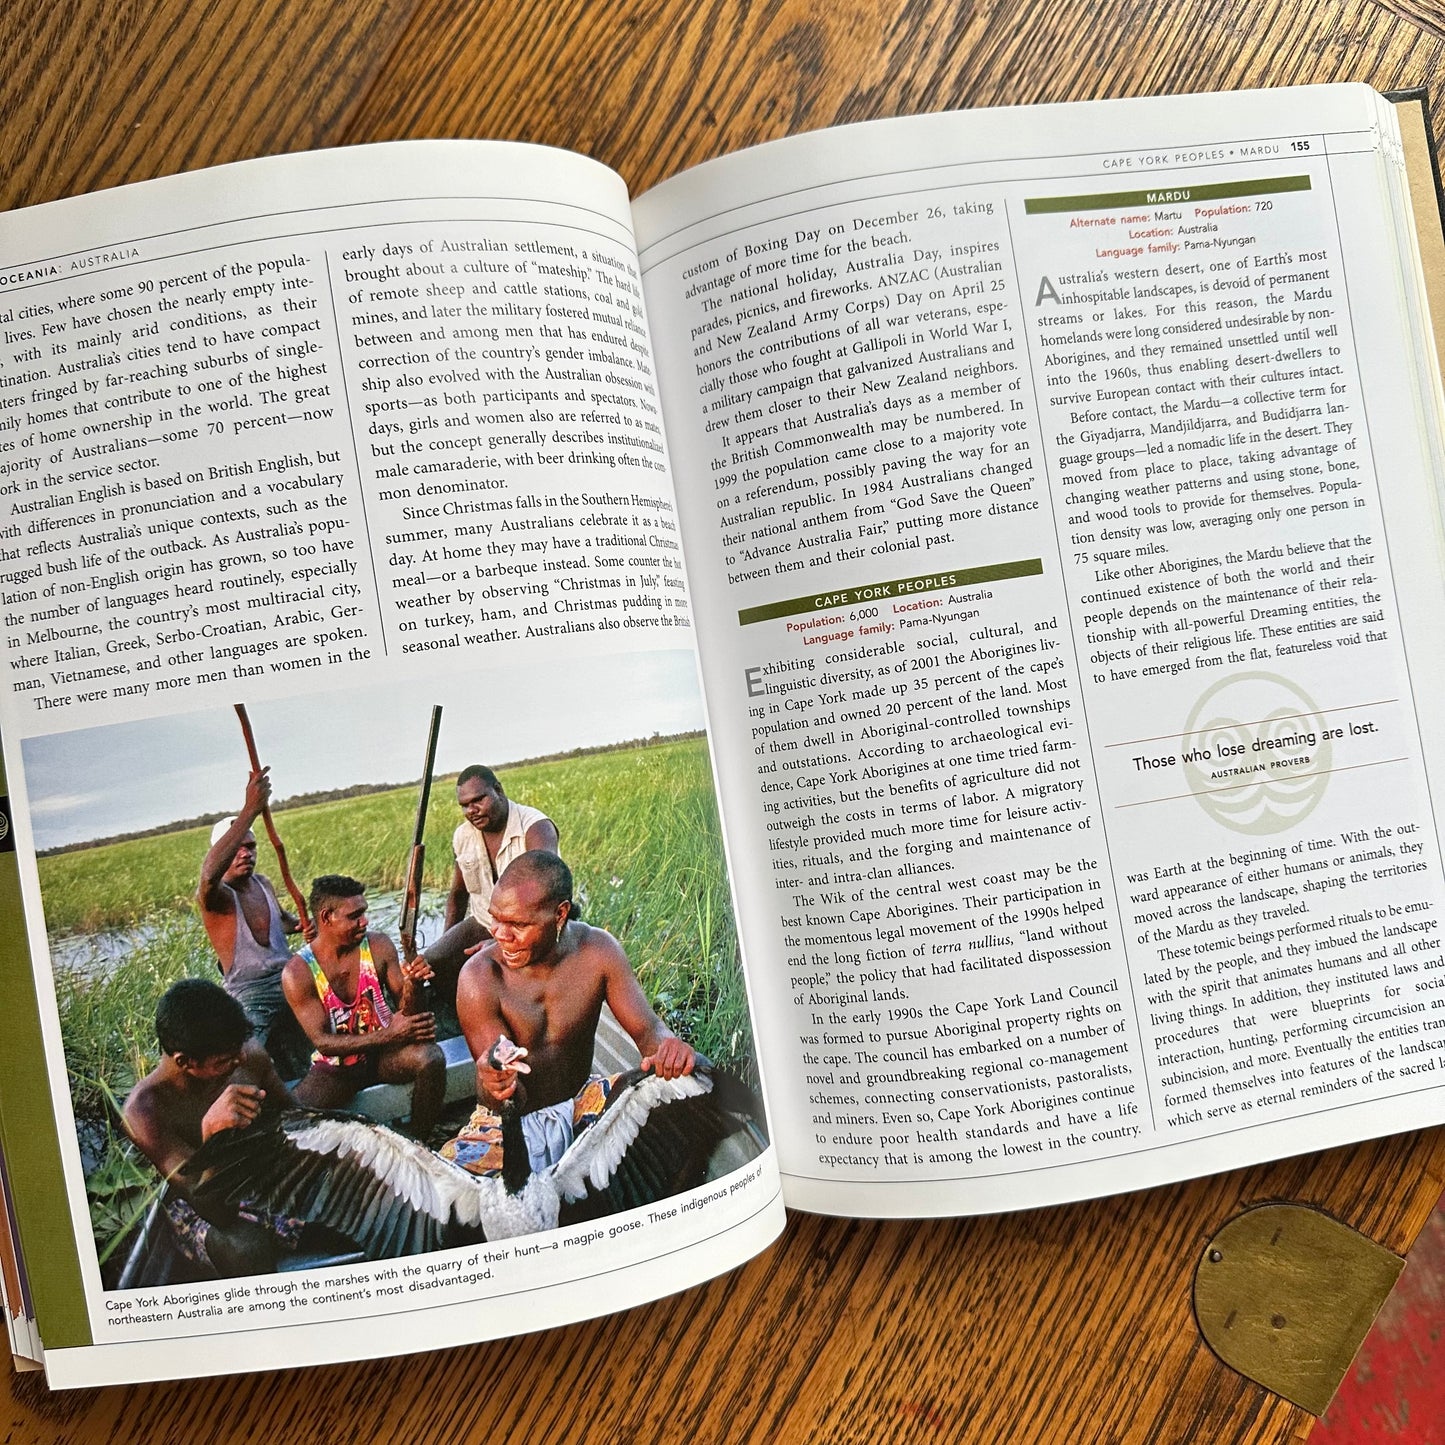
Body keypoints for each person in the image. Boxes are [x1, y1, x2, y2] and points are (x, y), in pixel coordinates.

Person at [441, 851, 694, 1179]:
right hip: (507, 1123)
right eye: (496, 919)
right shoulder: (479, 976)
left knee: (690, 1083)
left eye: (517, 924)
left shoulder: (598, 951)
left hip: (581, 1102)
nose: (501, 935)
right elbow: (504, 1096)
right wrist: (496, 1081)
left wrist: (669, 1047)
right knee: (449, 1186)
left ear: (559, 914)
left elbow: (649, 1035)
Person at [122, 978, 303, 1276]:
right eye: (224, 1060)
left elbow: (295, 1118)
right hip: (203, 1203)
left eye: (239, 1049)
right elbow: (213, 1209)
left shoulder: (248, 1057)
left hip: (259, 1173)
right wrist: (213, 1137)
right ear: (185, 1062)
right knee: (245, 1250)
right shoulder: (145, 1111)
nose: (240, 1060)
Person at [281, 874, 446, 1138]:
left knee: (431, 1057)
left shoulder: (378, 946)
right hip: (338, 1068)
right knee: (290, 1119)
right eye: (354, 916)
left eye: (364, 913)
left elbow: (413, 1013)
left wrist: (414, 982)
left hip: (385, 1057)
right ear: (326, 918)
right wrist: (391, 1034)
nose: (364, 921)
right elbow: (323, 1042)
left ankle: (420, 1140)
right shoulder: (298, 972)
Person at [197, 770, 311, 1077]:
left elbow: (283, 921)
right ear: (220, 853)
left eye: (251, 846)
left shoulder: (263, 883)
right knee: (241, 1059)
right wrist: (251, 809)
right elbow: (207, 877)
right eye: (236, 848)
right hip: (251, 994)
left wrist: (303, 926)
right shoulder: (218, 897)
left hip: (290, 980)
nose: (246, 853)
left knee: (328, 1028)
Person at [420, 765, 559, 1001]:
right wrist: (447, 940)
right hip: (483, 922)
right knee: (433, 962)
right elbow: (458, 894)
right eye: (464, 805)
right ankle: (463, 1017)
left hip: (527, 928)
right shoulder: (463, 836)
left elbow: (545, 895)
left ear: (498, 790)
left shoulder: (535, 828)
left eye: (478, 800)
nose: (471, 810)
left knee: (498, 968)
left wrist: (499, 944)